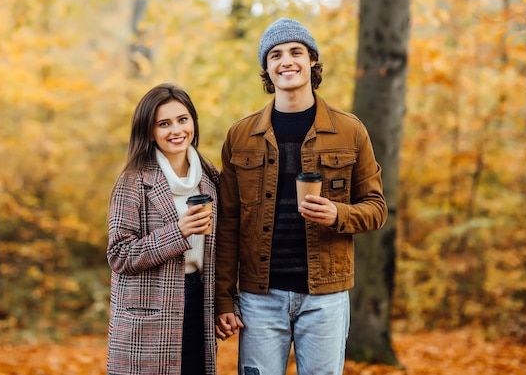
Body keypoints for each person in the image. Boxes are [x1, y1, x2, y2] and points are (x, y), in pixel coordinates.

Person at [214, 18, 388, 375]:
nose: (286, 61)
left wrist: (338, 215)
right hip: (259, 297)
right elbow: (228, 224)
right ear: (267, 68)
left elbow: (377, 208)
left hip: (325, 296)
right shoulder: (240, 136)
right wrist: (223, 297)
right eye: (275, 55)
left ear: (312, 61)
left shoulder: (350, 130)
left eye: (296, 52)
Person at [106, 83, 219, 375]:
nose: (176, 130)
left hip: (198, 301)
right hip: (147, 311)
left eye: (183, 119)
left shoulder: (211, 179)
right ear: (150, 131)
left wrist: (228, 304)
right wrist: (177, 232)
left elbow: (224, 247)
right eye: (164, 124)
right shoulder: (133, 181)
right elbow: (119, 255)